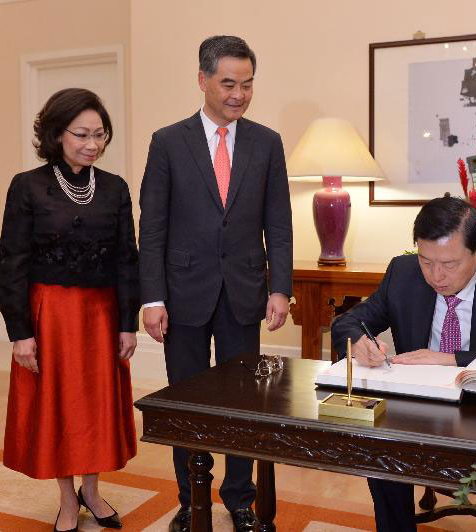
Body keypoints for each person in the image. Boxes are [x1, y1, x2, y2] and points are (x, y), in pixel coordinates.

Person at [138, 36, 293, 532]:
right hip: (183, 293)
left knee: (244, 403)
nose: (238, 95)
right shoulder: (168, 141)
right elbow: (152, 226)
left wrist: (279, 287)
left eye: (247, 84)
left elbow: (279, 222)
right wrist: (152, 297)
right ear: (202, 79)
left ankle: (240, 499)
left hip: (244, 292)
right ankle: (191, 499)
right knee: (186, 404)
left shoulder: (267, 142)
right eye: (228, 84)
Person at [331, 196, 476, 532]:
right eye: (426, 261)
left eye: (450, 264)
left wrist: (453, 359)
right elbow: (349, 323)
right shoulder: (403, 273)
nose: (436, 276)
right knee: (380, 441)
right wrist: (360, 344)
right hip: (418, 406)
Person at [0, 88, 139, 532]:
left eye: (100, 134)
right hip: (50, 317)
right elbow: (11, 262)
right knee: (58, 405)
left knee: (93, 405)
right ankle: (66, 499)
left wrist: (128, 323)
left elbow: (127, 260)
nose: (92, 144)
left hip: (101, 316)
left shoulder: (114, 188)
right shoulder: (27, 186)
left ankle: (91, 491)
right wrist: (20, 333)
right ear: (57, 134)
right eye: (82, 134)